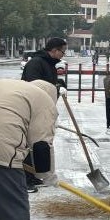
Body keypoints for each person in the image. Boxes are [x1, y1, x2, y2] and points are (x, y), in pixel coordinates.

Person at [0, 79, 58, 220]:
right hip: (2, 143)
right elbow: (41, 146)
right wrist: (47, 177)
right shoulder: (45, 100)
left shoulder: (13, 87)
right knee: (14, 204)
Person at [21, 37, 67, 192]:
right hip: (31, 108)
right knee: (29, 143)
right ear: (53, 50)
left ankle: (33, 175)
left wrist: (59, 85)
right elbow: (33, 86)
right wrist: (54, 87)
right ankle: (26, 179)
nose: (63, 54)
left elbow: (48, 83)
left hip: (42, 108)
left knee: (38, 143)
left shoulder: (49, 64)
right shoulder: (36, 63)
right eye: (62, 51)